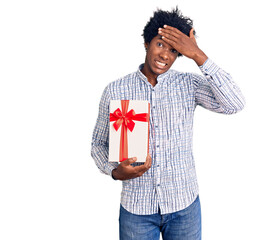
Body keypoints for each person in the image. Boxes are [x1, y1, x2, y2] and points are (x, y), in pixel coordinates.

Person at [91, 7, 245, 240]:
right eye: (160, 44)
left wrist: (198, 55)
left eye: (174, 50)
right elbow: (98, 144)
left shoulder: (188, 85)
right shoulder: (116, 90)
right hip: (137, 208)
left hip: (184, 205)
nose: (165, 55)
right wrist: (114, 172)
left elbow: (234, 104)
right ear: (146, 43)